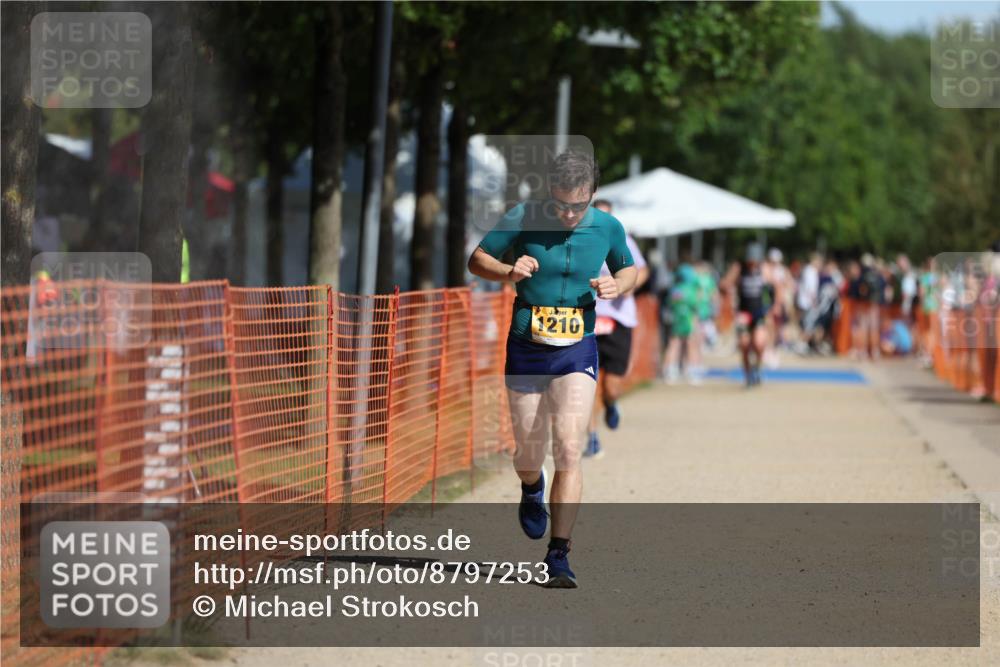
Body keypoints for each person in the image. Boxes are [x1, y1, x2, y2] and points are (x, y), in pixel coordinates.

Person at [467, 150, 637, 588]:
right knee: (528, 452)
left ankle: (558, 555)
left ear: (592, 196)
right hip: (526, 345)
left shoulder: (608, 227)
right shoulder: (523, 216)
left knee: (568, 446)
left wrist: (619, 284)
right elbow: (477, 259)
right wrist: (508, 270)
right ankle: (530, 486)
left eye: (577, 206)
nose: (567, 213)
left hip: (576, 349)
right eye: (560, 204)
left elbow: (630, 269)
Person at [584, 199, 648, 458]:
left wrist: (625, 287)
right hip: (587, 318)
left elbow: (641, 271)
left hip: (618, 319)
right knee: (586, 383)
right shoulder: (580, 240)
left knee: (610, 385)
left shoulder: (621, 239)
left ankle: (612, 404)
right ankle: (592, 437)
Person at [722, 243, 772, 387]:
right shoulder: (739, 268)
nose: (752, 263)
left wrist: (773, 307)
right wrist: (728, 288)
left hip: (759, 312)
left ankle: (757, 367)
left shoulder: (764, 269)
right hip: (743, 312)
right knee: (744, 344)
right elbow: (725, 284)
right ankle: (748, 375)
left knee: (759, 343)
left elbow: (775, 287)